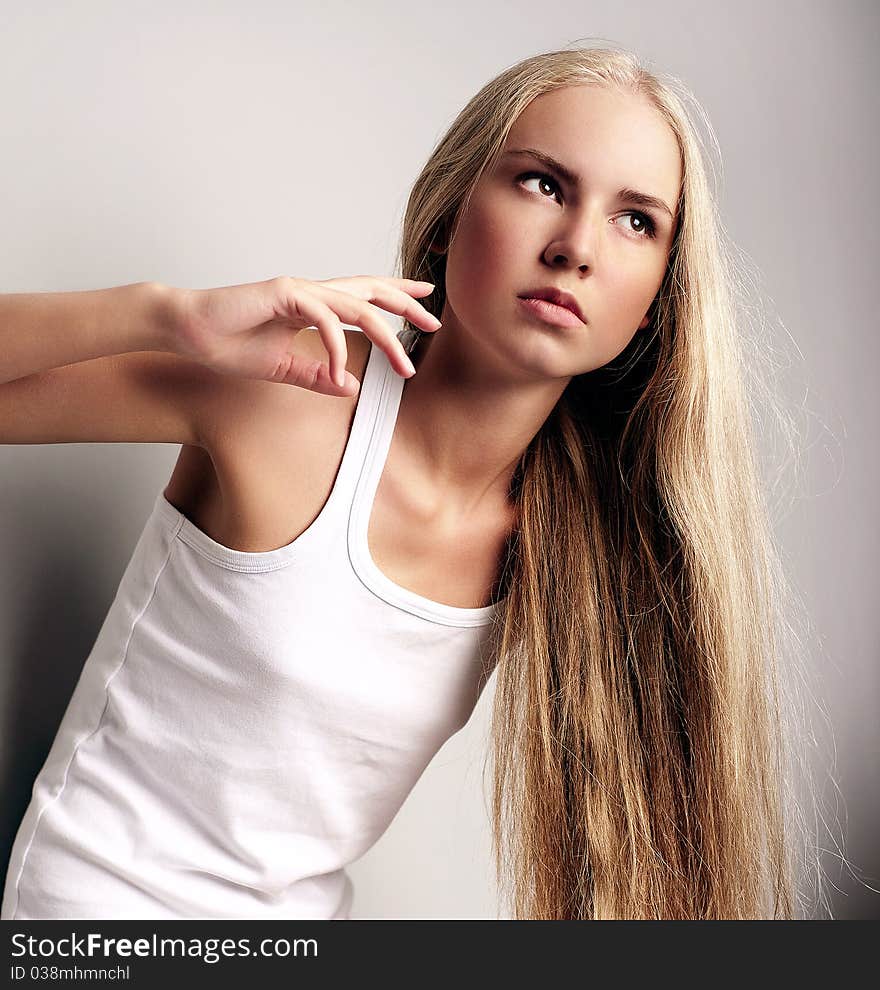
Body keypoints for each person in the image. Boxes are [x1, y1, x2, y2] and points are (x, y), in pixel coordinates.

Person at [0, 44, 813, 920]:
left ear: (657, 299)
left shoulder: (582, 546)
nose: (576, 247)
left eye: (637, 221)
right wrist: (170, 316)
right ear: (454, 207)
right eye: (543, 183)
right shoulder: (296, 390)